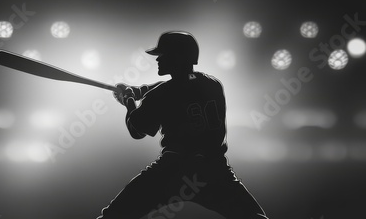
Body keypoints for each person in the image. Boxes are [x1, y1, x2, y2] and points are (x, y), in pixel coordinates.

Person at [97, 31, 268, 219]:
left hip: (172, 171)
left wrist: (129, 100)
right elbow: (179, 86)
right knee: (254, 216)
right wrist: (140, 91)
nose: (158, 60)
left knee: (115, 216)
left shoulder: (161, 94)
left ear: (177, 57)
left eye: (163, 55)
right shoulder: (213, 84)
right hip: (213, 171)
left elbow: (137, 129)